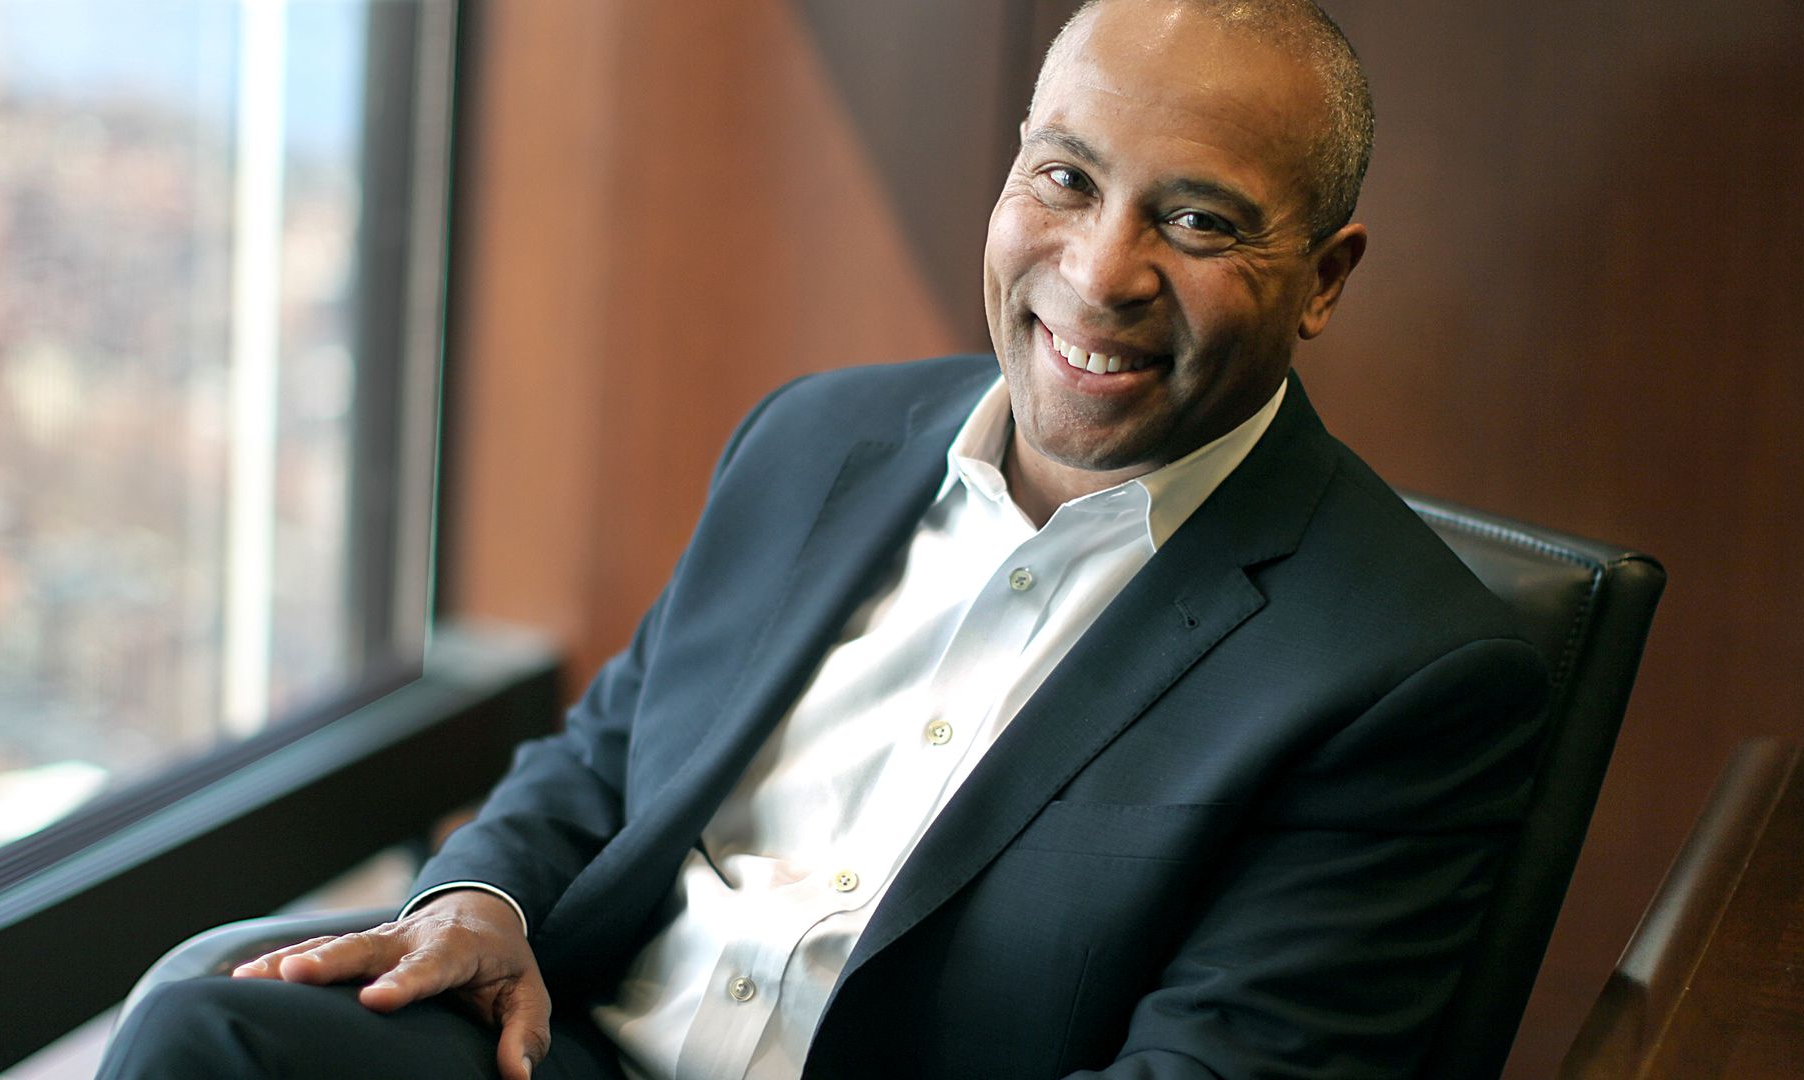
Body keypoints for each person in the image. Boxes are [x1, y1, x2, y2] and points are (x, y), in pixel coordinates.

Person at [101, 0, 1548, 1077]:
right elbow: (607, 757)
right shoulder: (815, 439)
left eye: (1198, 220)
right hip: (578, 1051)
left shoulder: (1410, 672)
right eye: (1065, 178)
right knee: (201, 1019)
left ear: (1324, 280)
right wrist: (475, 900)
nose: (1102, 273)